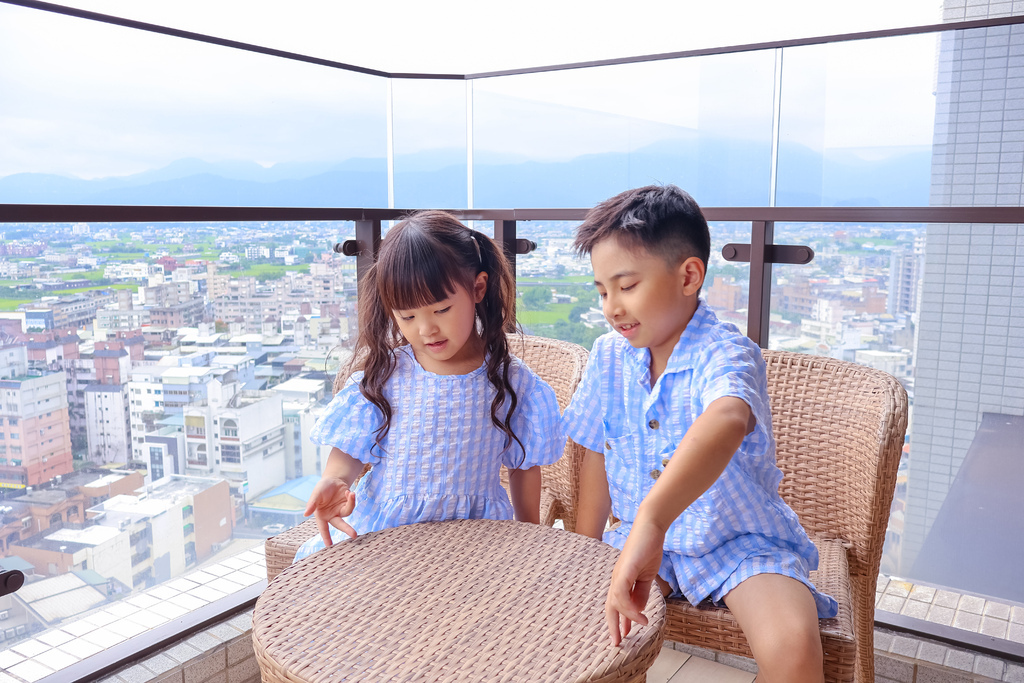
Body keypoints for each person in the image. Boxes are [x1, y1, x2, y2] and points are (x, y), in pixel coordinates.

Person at [562, 186, 836, 683]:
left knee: (793, 650)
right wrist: (584, 552)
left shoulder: (729, 353)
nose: (611, 307)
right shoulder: (607, 357)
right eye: (602, 290)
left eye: (626, 285)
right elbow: (596, 455)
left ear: (689, 275)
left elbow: (728, 417)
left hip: (736, 540)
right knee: (593, 635)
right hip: (638, 544)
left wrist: (652, 518)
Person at [295, 211, 564, 561]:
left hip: (476, 539)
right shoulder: (387, 374)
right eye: (407, 316)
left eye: (441, 310)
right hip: (387, 535)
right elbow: (350, 447)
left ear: (478, 288)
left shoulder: (511, 380)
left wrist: (528, 534)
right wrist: (336, 479)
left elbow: (524, 466)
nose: (426, 330)